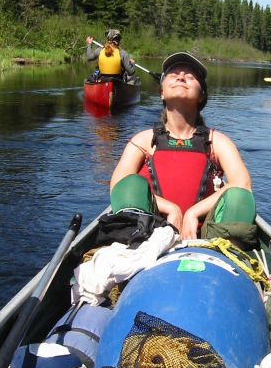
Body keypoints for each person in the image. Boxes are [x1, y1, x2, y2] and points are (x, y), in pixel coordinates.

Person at [109, 51, 255, 240]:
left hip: (204, 239)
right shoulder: (143, 141)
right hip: (150, 235)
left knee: (239, 197)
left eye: (190, 75)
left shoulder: (217, 142)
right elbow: (117, 187)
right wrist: (171, 209)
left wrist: (193, 213)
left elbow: (242, 185)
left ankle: (224, 256)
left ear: (202, 95)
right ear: (161, 92)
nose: (181, 76)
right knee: (129, 184)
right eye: (173, 72)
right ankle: (135, 247)